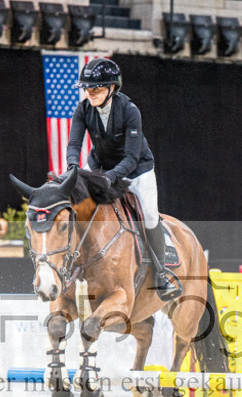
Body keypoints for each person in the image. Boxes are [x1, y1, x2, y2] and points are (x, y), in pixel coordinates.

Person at [65, 57, 181, 301]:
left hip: (137, 170)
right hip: (100, 165)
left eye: (95, 88)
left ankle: (162, 273)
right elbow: (75, 142)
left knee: (149, 214)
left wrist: (109, 178)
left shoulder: (129, 111)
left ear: (111, 88)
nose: (90, 93)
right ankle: (70, 262)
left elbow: (130, 158)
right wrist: (73, 168)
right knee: (77, 205)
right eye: (87, 88)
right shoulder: (83, 109)